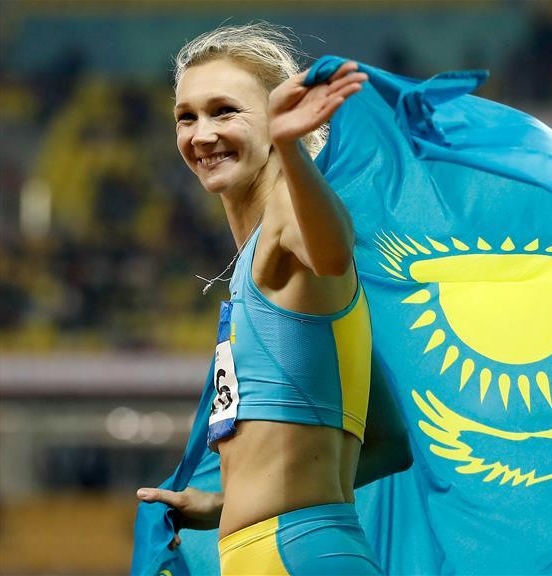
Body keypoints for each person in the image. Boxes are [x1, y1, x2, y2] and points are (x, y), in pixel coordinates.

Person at [134, 23, 411, 574]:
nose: (202, 134)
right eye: (186, 117)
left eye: (225, 111)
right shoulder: (264, 266)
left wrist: (290, 148)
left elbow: (331, 253)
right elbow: (389, 443)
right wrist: (228, 502)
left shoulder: (287, 217)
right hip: (295, 553)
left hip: (297, 556)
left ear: (278, 117)